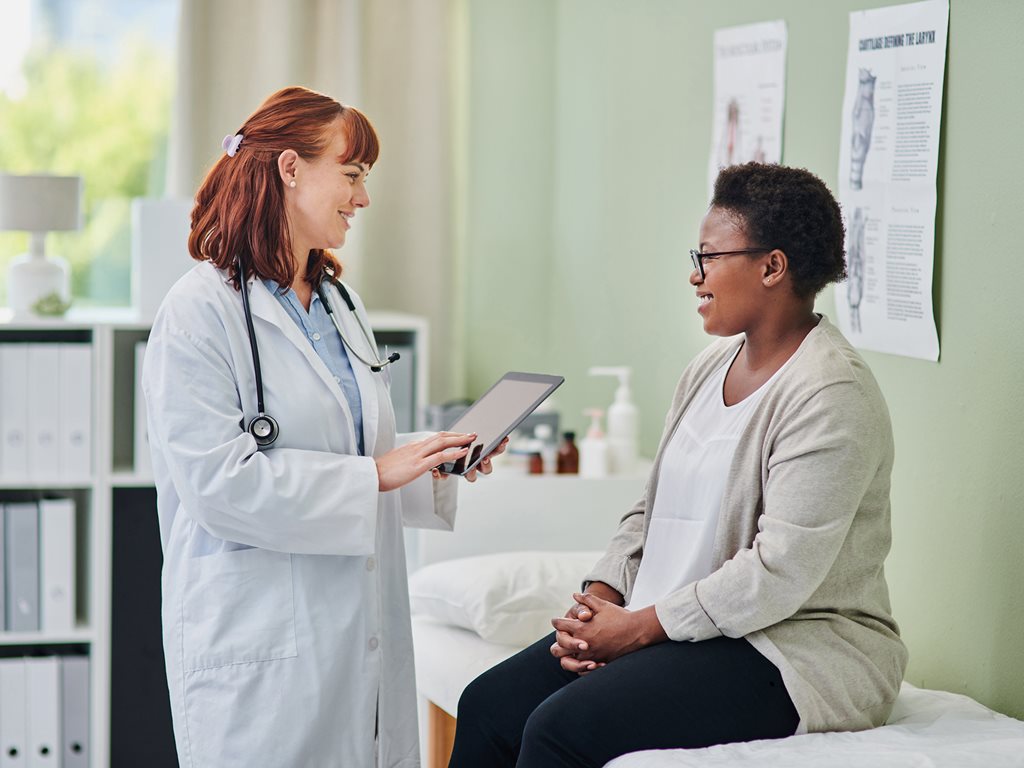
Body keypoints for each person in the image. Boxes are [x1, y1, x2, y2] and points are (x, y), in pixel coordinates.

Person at [449, 163, 908, 767]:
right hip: (679, 624)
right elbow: (650, 507)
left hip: (790, 647)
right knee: (488, 704)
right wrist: (601, 601)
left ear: (772, 267)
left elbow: (779, 572)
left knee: (560, 729)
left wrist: (637, 629)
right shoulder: (707, 369)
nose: (694, 276)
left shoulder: (830, 393)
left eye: (709, 257)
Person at [143, 86, 501, 768]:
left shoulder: (341, 304)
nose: (363, 198)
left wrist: (434, 461)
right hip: (259, 646)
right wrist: (376, 473)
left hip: (355, 629)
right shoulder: (199, 313)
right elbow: (218, 486)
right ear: (289, 169)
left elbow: (361, 453)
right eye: (353, 173)